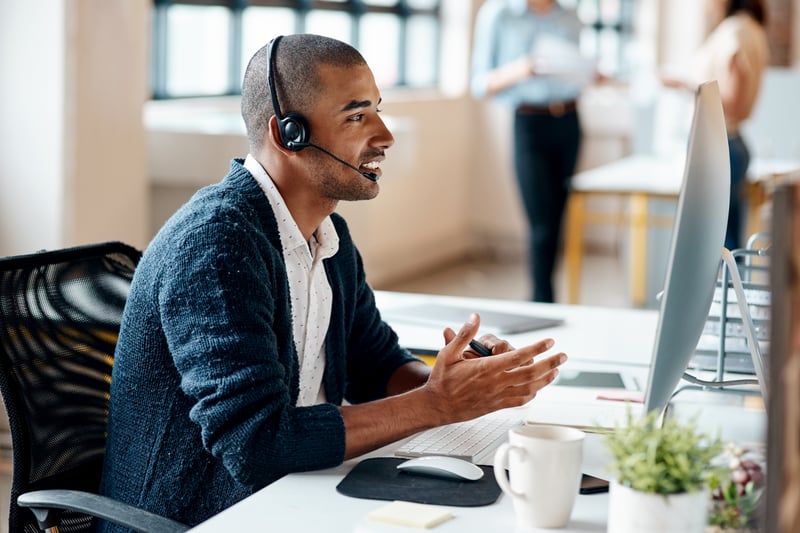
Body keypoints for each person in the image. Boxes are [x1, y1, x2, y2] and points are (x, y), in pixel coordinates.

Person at [98, 33, 567, 529]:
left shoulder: (327, 234)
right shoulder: (217, 246)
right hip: (201, 513)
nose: (385, 135)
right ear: (289, 134)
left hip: (288, 492)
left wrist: (456, 382)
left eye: (378, 111)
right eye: (357, 116)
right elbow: (256, 444)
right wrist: (436, 404)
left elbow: (375, 365)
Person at [471, 0, 590, 303]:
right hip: (528, 123)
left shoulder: (571, 15)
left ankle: (548, 296)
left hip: (570, 120)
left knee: (558, 219)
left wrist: (589, 73)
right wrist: (521, 69)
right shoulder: (499, 14)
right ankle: (542, 299)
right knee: (541, 223)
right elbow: (480, 84)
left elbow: (577, 70)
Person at [661, 0, 769, 251]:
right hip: (729, 143)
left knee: (714, 247)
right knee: (726, 242)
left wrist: (683, 84)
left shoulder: (735, 31)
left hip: (719, 145)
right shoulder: (749, 28)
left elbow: (731, 100)